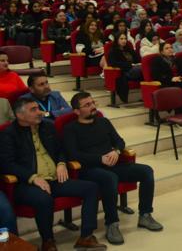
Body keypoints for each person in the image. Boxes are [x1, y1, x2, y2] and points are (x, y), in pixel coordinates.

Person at [0, 98, 106, 251]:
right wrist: (33, 177)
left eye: (38, 108)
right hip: (26, 184)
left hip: (55, 179)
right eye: (33, 110)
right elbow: (7, 163)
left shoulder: (47, 127)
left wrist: (61, 163)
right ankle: (48, 241)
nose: (40, 112)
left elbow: (61, 150)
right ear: (20, 115)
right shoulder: (8, 134)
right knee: (44, 198)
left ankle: (86, 237)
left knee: (91, 188)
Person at [64, 92, 163, 245]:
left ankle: (145, 215)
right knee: (109, 178)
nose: (93, 107)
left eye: (93, 103)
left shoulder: (103, 122)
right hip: (90, 169)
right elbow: (73, 154)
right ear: (77, 111)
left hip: (113, 164)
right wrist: (99, 158)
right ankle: (112, 223)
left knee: (146, 171)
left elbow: (119, 141)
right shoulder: (71, 129)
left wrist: (115, 151)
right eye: (87, 105)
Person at [107, 33, 143, 103]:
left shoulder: (128, 49)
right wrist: (129, 65)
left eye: (125, 39)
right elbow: (113, 63)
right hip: (125, 72)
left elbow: (138, 59)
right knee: (143, 68)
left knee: (145, 68)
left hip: (134, 70)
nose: (124, 41)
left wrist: (137, 64)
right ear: (117, 40)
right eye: (121, 39)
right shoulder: (113, 51)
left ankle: (147, 95)